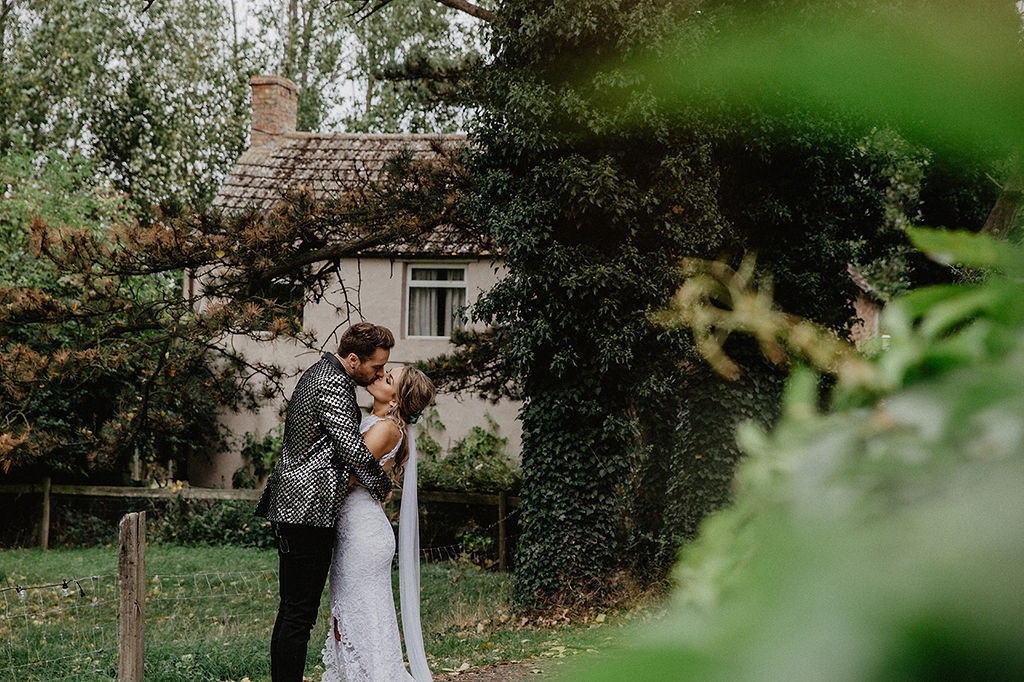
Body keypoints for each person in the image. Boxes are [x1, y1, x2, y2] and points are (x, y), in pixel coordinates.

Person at [256, 322, 396, 682]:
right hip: (306, 509)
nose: (379, 373)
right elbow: (351, 448)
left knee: (294, 610)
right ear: (353, 359)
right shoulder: (333, 383)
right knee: (298, 613)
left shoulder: (321, 373)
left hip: (301, 509)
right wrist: (383, 486)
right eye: (376, 367)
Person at [321, 364, 436, 682]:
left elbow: (350, 473)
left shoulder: (386, 429)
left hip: (363, 535)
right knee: (346, 621)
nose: (379, 377)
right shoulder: (372, 422)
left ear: (397, 399)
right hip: (353, 531)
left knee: (360, 623)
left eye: (388, 380)